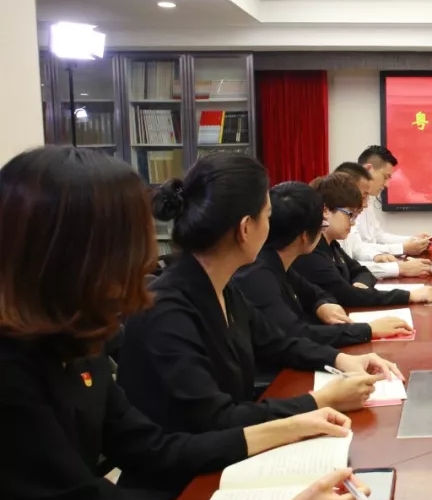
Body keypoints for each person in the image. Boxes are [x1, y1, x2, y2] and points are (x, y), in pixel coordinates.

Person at [0, 146, 371, 500]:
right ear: (73, 255)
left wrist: (297, 426)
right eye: (130, 244)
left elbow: (151, 446)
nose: (142, 262)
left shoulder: (75, 341)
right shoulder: (15, 372)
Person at [118, 154, 399, 439]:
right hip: (196, 462)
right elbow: (217, 419)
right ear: (245, 228)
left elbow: (279, 343)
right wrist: (320, 400)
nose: (272, 225)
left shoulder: (224, 288)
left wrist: (341, 360)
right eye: (267, 215)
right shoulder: (168, 311)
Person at [233, 182, 414, 346]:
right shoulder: (259, 274)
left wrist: (322, 305)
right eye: (321, 227)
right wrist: (368, 330)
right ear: (305, 236)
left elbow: (315, 293)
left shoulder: (278, 262)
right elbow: (295, 334)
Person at [293, 173, 432, 309]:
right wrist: (409, 296)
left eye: (355, 216)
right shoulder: (311, 251)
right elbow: (347, 296)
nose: (352, 223)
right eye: (350, 215)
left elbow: (361, 271)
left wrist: (359, 284)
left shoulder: (331, 244)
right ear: (325, 211)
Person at [336, 161, 432, 280]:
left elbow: (358, 248)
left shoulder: (353, 212)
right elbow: (346, 269)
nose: (365, 204)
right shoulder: (331, 227)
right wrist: (399, 266)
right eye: (363, 196)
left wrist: (377, 256)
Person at [353, 145, 431, 256]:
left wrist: (413, 240)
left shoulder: (367, 198)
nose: (387, 184)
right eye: (385, 177)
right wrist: (402, 249)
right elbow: (357, 249)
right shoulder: (345, 199)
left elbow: (378, 236)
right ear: (368, 170)